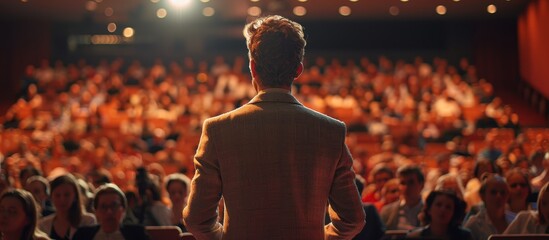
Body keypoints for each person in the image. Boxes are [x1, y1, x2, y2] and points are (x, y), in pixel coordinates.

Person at [183, 15, 365, 239]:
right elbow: (352, 219)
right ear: (298, 70)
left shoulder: (218, 129)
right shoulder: (330, 131)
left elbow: (197, 219)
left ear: (252, 67)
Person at [72, 183, 150, 240]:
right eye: (103, 207)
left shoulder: (137, 234)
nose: (109, 211)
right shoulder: (82, 235)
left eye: (114, 206)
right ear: (96, 211)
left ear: (123, 209)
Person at [38, 174, 96, 240]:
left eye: (67, 195)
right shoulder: (43, 225)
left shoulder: (87, 221)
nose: (62, 199)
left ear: (75, 197)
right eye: (57, 195)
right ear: (51, 197)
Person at [407, 190, 473, 240]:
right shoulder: (415, 237)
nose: (443, 210)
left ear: (454, 213)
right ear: (429, 209)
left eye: (448, 207)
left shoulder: (464, 237)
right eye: (438, 205)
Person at [464, 173, 511, 240]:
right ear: (483, 196)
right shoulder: (474, 224)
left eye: (502, 192)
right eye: (493, 192)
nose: (499, 196)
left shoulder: (514, 220)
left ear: (508, 195)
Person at [380, 164, 425, 230]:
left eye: (411, 182)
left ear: (421, 185)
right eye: (403, 183)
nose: (406, 187)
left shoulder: (430, 212)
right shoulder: (387, 211)